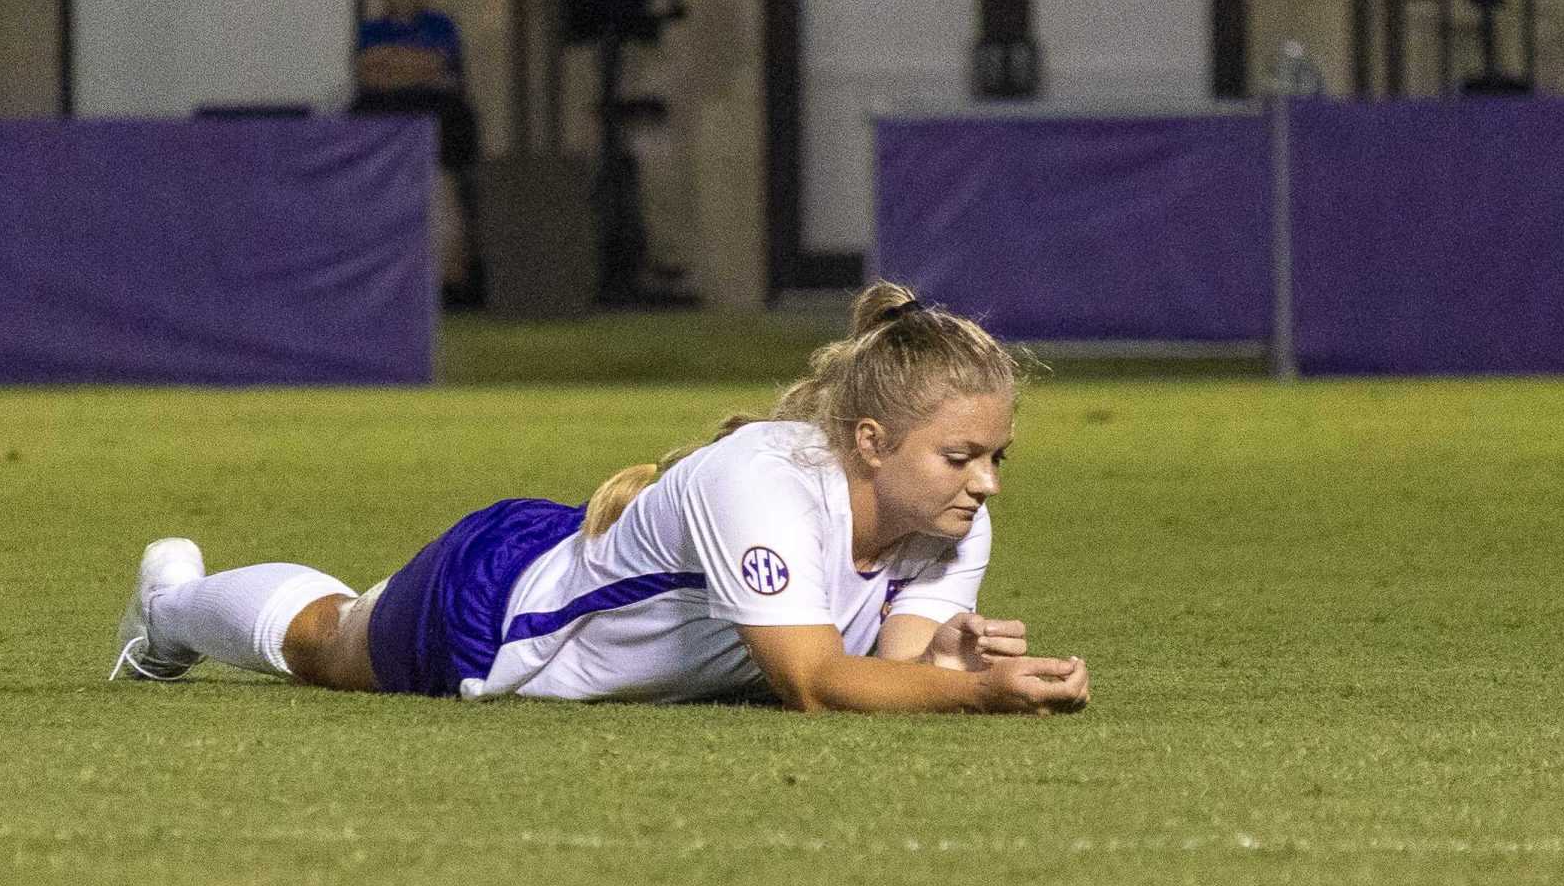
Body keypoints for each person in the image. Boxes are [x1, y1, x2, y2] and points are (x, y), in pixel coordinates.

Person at [108, 283, 1090, 716]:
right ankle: (167, 614)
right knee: (324, 645)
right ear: (871, 443)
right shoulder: (763, 480)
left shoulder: (952, 519)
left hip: (585, 566)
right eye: (962, 455)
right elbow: (816, 684)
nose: (987, 481)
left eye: (996, 455)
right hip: (498, 614)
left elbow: (883, 672)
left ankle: (179, 608)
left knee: (334, 632)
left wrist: (944, 659)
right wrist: (976, 694)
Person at [354, 0, 481, 300]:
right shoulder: (371, 30)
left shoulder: (442, 27)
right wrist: (416, 69)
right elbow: (369, 72)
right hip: (387, 119)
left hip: (437, 120)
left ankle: (452, 283)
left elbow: (441, 68)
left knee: (444, 187)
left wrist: (394, 64)